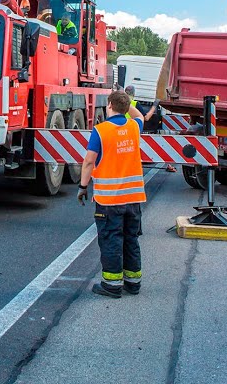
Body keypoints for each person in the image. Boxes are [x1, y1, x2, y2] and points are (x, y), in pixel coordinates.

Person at [78, 90, 146, 298]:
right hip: (133, 198)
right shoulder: (134, 127)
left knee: (111, 240)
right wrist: (126, 101)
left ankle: (112, 284)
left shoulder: (101, 131)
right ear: (125, 109)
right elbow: (139, 116)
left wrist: (83, 186)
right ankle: (133, 283)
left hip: (109, 199)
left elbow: (89, 161)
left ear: (109, 105)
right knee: (130, 239)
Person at [125, 84, 174, 172]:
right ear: (134, 94)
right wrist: (154, 106)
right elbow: (146, 118)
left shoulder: (120, 104)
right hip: (133, 132)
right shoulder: (135, 104)